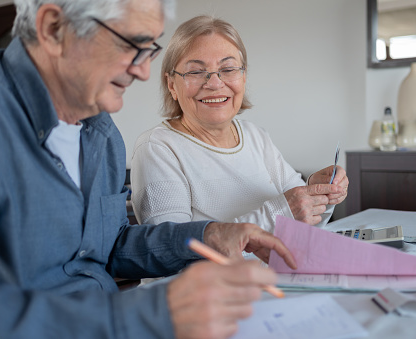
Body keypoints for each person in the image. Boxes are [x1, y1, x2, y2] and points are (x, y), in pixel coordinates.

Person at [0, 1, 297, 338]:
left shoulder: (100, 132)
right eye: (128, 44)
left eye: (147, 48)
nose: (143, 72)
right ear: (53, 29)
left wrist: (209, 234)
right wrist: (147, 313)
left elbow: (112, 246)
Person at [130, 15, 349, 233]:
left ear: (243, 77)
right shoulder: (157, 148)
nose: (215, 84)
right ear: (171, 85)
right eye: (196, 72)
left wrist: (321, 193)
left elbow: (304, 225)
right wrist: (282, 212)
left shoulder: (256, 136)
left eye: (228, 69)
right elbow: (172, 253)